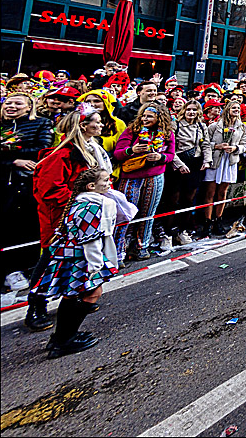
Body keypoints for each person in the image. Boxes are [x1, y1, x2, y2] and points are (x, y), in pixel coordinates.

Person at [28, 107, 113, 330]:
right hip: (61, 218)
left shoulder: (93, 150)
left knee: (80, 255)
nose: (101, 125)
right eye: (96, 122)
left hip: (83, 216)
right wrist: (83, 201)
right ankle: (35, 307)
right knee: (50, 258)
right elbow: (50, 191)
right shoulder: (61, 155)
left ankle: (79, 294)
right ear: (83, 126)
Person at [36, 167, 120, 358]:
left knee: (72, 295)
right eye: (105, 180)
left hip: (73, 255)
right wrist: (96, 265)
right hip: (81, 257)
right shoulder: (91, 205)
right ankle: (65, 339)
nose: (109, 183)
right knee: (91, 293)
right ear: (91, 186)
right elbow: (90, 238)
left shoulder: (83, 201)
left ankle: (61, 337)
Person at [0, 93, 54, 294]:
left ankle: (20, 269)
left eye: (18, 103)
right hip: (3, 181)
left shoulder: (41, 123)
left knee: (23, 226)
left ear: (29, 107)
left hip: (25, 183)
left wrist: (9, 147)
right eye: (8, 102)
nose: (11, 106)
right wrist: (13, 160)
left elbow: (42, 149)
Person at [113, 105, 176, 261]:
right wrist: (132, 150)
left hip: (155, 176)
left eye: (149, 116)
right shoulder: (131, 131)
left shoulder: (167, 133)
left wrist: (160, 157)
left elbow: (170, 154)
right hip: (131, 176)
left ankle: (141, 246)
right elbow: (118, 153)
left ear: (159, 118)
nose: (144, 119)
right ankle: (118, 250)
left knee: (148, 214)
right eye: (143, 115)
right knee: (126, 213)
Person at [199, 100, 246, 237]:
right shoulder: (214, 126)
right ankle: (207, 222)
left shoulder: (242, 127)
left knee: (222, 192)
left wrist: (235, 148)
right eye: (234, 108)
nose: (236, 110)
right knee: (210, 192)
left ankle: (218, 220)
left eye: (238, 108)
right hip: (215, 160)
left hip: (230, 161)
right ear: (227, 109)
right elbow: (205, 143)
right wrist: (217, 146)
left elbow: (244, 145)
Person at [163, 100, 206, 243]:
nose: (191, 112)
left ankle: (182, 231)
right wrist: (179, 164)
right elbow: (170, 147)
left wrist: (207, 160)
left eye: (194, 109)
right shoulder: (176, 125)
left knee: (188, 199)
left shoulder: (201, 126)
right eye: (188, 109)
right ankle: (167, 233)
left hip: (195, 165)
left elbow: (205, 144)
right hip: (177, 165)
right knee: (172, 199)